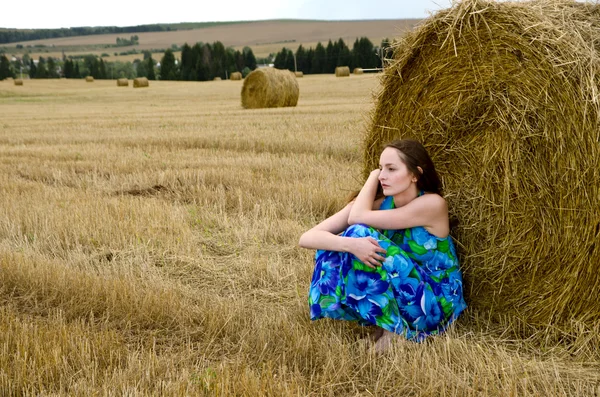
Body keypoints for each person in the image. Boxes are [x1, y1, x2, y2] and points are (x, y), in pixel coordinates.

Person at [299, 139, 467, 351]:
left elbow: (357, 218)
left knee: (358, 233)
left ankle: (394, 332)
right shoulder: (379, 205)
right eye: (379, 169)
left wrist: (370, 178)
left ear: (415, 174)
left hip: (435, 302)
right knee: (343, 242)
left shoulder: (432, 204)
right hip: (404, 292)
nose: (382, 176)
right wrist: (349, 245)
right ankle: (385, 327)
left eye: (391, 169)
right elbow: (307, 237)